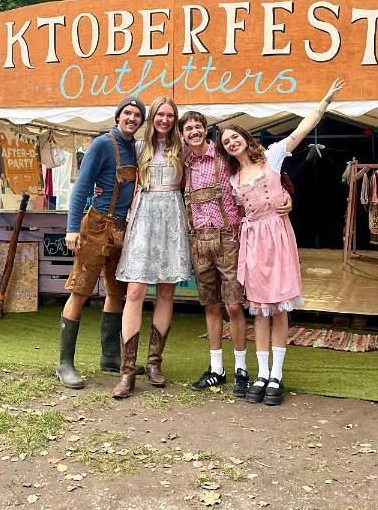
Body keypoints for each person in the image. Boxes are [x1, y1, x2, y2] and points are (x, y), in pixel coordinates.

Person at [217, 78, 345, 406]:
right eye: (226, 141)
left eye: (234, 137)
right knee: (259, 310)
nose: (231, 142)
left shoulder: (272, 158)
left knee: (279, 309)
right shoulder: (232, 179)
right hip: (253, 242)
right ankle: (261, 374)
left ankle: (277, 374)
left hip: (277, 236)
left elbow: (301, 130)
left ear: (245, 138)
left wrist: (324, 101)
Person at [180, 111, 291, 397]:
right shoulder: (182, 164)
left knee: (233, 305)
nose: (193, 131)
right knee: (211, 305)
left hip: (229, 238)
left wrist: (288, 199)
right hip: (199, 240)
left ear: (206, 131)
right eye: (188, 128)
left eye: (197, 127)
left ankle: (242, 367)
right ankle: (217, 368)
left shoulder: (225, 160)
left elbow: (267, 181)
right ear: (182, 135)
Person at [57, 97, 145, 390]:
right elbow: (82, 185)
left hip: (122, 229)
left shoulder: (135, 148)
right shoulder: (102, 144)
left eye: (137, 115)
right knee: (80, 290)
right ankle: (65, 364)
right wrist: (72, 229)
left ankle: (110, 357)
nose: (132, 118)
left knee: (115, 291)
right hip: (95, 226)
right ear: (118, 116)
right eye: (127, 113)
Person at [113, 96, 192, 399]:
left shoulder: (182, 148)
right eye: (160, 114)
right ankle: (127, 371)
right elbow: (117, 178)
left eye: (170, 115)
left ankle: (154, 363)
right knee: (134, 291)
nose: (165, 120)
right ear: (152, 117)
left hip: (172, 215)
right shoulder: (137, 147)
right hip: (144, 216)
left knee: (166, 291)